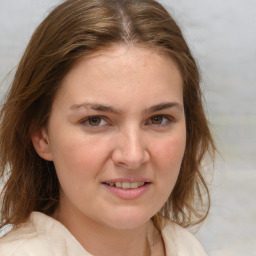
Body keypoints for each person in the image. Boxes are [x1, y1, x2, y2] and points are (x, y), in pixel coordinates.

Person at [0, 0, 216, 255]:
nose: (133, 156)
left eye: (158, 119)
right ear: (41, 136)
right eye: (96, 120)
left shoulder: (185, 248)